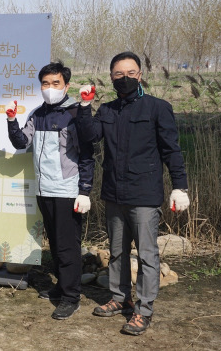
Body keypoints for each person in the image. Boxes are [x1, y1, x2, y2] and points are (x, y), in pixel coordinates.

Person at [77, 51, 190, 335]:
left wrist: (180, 185)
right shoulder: (107, 110)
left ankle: (143, 310)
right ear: (111, 78)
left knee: (147, 256)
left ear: (140, 75)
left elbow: (171, 150)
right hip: (114, 193)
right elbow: (90, 136)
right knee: (117, 252)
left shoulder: (157, 108)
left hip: (144, 194)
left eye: (130, 73)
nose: (124, 78)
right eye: (118, 74)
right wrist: (84, 107)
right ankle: (119, 298)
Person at [7, 61, 94, 320]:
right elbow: (22, 142)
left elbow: (88, 154)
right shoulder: (37, 114)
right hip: (44, 189)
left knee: (68, 245)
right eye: (45, 83)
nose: (50, 88)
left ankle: (71, 297)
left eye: (55, 83)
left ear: (66, 85)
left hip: (68, 190)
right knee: (55, 243)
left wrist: (85, 191)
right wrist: (11, 120)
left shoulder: (77, 114)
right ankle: (61, 287)